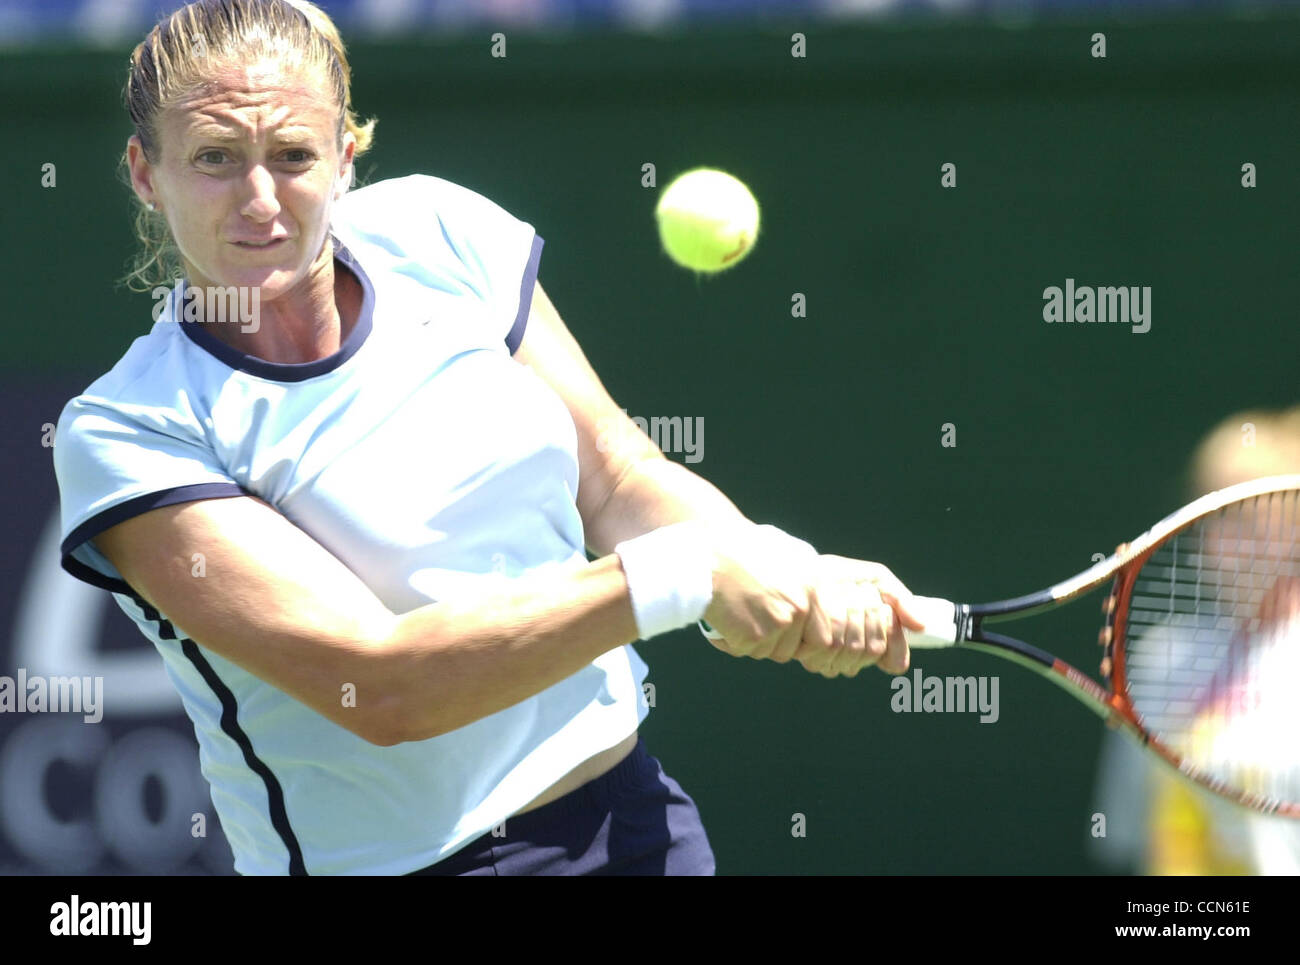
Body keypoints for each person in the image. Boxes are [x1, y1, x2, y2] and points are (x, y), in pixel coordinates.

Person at [52, 0, 923, 876]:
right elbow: (382, 684)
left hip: (633, 827)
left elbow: (617, 476)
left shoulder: (440, 232)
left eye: (293, 156)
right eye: (214, 159)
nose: (259, 200)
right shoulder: (131, 431)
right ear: (144, 172)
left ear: (346, 157)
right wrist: (690, 574)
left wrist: (773, 559)